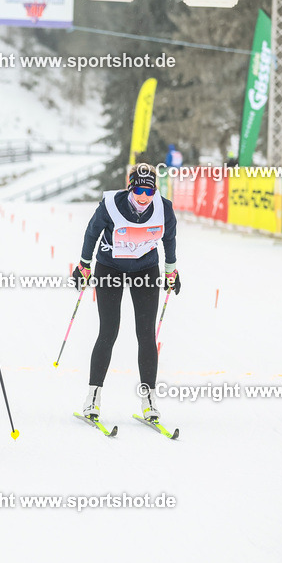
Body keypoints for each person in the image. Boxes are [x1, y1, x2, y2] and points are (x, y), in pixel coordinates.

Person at [73, 162, 179, 423]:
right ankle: (93, 397)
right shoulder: (111, 204)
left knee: (146, 334)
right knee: (109, 331)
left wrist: (171, 270)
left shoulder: (164, 208)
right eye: (139, 191)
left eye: (149, 192)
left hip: (145, 269)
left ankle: (149, 398)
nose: (144, 197)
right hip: (110, 268)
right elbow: (92, 233)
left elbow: (169, 239)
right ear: (131, 188)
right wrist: (84, 265)